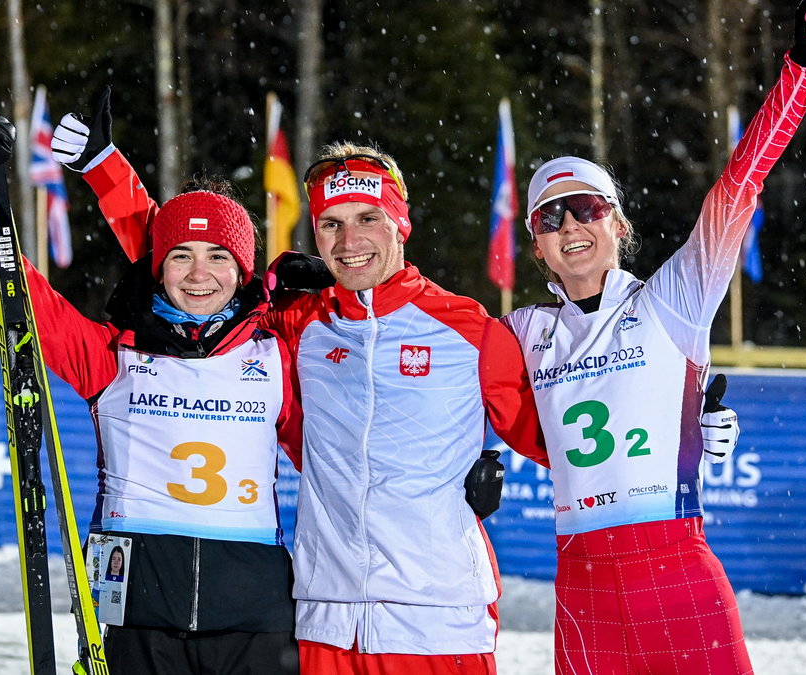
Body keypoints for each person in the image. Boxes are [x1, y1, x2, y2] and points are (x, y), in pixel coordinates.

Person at [52, 103, 549, 671]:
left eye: (368, 218)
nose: (349, 240)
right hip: (324, 618)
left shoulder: (470, 330)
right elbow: (188, 254)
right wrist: (105, 169)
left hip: (436, 617)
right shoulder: (297, 323)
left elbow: (555, 439)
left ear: (401, 223)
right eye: (331, 224)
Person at [499, 2, 806, 673]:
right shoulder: (521, 330)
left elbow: (738, 188)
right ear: (537, 246)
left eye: (589, 208)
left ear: (619, 226)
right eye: (551, 216)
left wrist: (801, 70)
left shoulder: (671, 302)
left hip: (675, 566)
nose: (572, 224)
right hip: (581, 583)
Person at [0, 113, 301, 675]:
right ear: (158, 268)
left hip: (255, 613)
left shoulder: (277, 353)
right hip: (137, 608)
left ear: (243, 269)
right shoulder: (113, 356)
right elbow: (11, 288)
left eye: (219, 257)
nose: (198, 273)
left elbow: (350, 445)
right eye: (181, 255)